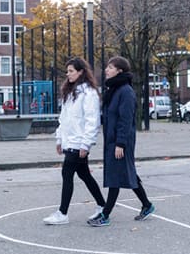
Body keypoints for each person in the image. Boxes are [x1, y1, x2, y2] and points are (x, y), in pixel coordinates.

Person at [87, 56, 155, 227]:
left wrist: (120, 143)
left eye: (110, 67)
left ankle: (105, 215)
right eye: (107, 67)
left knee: (115, 176)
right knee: (127, 172)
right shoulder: (115, 90)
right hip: (112, 140)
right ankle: (147, 205)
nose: (106, 70)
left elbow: (125, 120)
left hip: (120, 141)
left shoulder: (126, 91)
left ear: (119, 71)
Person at [43, 57, 105, 225]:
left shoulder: (89, 93)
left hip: (78, 142)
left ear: (81, 72)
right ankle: (102, 205)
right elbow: (64, 119)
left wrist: (86, 144)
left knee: (67, 173)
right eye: (67, 71)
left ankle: (63, 213)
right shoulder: (70, 93)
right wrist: (59, 139)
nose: (68, 74)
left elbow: (92, 121)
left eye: (71, 71)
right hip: (70, 141)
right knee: (84, 174)